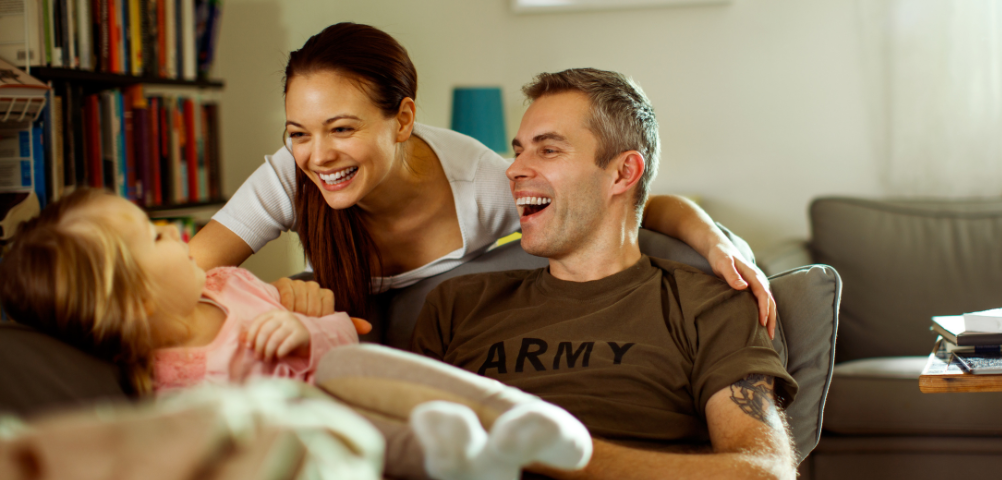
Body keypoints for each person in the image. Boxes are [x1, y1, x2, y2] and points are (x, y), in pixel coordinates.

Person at [410, 68, 799, 480]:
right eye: (519, 148)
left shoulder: (703, 304)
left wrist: (555, 450)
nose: (514, 168)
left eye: (548, 150)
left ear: (622, 173)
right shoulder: (458, 303)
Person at [187, 22, 776, 334]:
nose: (317, 155)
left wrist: (715, 241)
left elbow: (623, 202)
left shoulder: (482, 185)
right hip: (331, 335)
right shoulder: (288, 176)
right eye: (298, 132)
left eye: (342, 129)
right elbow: (187, 274)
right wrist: (271, 300)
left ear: (404, 119)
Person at [0, 188, 594, 480]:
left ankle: (520, 416)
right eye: (149, 238)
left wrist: (306, 331)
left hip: (352, 380)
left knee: (347, 371)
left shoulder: (229, 284)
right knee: (310, 407)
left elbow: (346, 341)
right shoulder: (170, 384)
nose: (168, 229)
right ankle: (455, 458)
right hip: (328, 444)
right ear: (133, 302)